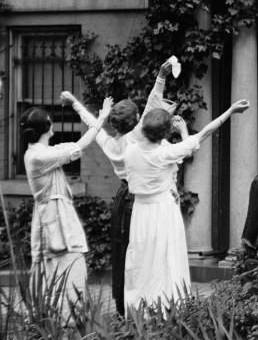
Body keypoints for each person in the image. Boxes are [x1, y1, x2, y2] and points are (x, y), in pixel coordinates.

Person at [62, 58, 175, 315]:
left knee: (122, 253)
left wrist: (74, 102)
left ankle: (123, 307)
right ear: (136, 121)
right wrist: (160, 75)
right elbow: (153, 104)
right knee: (145, 252)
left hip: (121, 200)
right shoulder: (137, 137)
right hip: (140, 199)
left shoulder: (110, 144)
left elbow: (93, 123)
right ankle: (148, 305)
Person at [124, 99, 250, 309]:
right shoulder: (165, 153)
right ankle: (168, 308)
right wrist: (230, 110)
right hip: (164, 211)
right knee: (168, 259)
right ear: (164, 134)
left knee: (142, 261)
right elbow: (203, 135)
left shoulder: (130, 150)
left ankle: (140, 310)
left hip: (141, 212)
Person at [21, 96, 113, 310]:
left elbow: (73, 146)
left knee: (67, 269)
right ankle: (63, 319)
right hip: (54, 221)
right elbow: (81, 145)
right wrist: (102, 118)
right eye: (49, 120)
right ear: (46, 127)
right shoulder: (38, 156)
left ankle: (66, 318)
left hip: (57, 217)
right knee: (64, 270)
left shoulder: (41, 153)